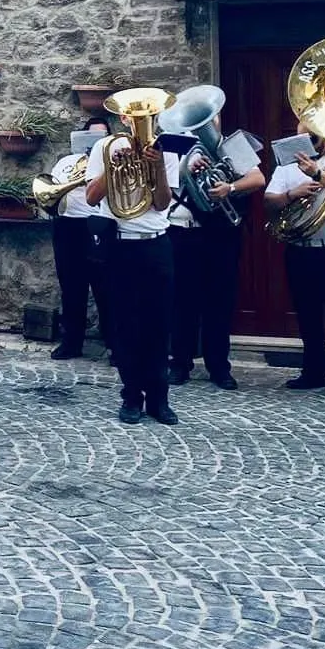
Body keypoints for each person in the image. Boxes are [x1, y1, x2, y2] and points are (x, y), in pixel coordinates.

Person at [86, 109, 181, 425]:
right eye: (132, 116)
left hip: (155, 242)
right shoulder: (106, 147)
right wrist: (114, 168)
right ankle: (131, 397)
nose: (139, 120)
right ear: (124, 120)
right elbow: (90, 197)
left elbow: (163, 202)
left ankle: (159, 398)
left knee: (159, 322)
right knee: (125, 324)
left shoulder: (165, 149)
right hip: (120, 244)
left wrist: (157, 166)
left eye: (148, 114)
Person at [169, 116, 265, 391]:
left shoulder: (232, 145)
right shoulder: (176, 146)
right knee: (182, 301)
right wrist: (187, 166)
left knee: (220, 302)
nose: (207, 125)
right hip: (183, 232)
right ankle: (180, 363)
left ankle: (219, 367)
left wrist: (230, 187)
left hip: (220, 234)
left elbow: (258, 178)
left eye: (211, 119)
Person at [265, 134, 325, 400]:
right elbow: (269, 201)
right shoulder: (286, 166)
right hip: (300, 249)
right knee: (307, 315)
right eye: (304, 131)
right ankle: (314, 371)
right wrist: (291, 194)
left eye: (314, 132)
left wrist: (318, 174)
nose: (308, 136)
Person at [47, 119, 111, 361]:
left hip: (98, 223)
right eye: (90, 135)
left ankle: (113, 343)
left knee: (105, 287)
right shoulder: (66, 162)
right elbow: (52, 192)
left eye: (101, 136)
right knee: (71, 287)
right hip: (67, 225)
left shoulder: (111, 161)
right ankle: (71, 343)